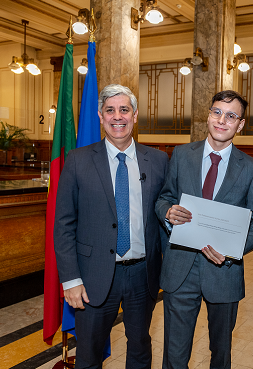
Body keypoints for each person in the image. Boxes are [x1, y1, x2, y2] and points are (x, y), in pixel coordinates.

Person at [54, 84, 168, 369]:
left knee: (140, 346)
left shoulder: (158, 161)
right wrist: (70, 280)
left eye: (124, 109)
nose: (118, 116)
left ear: (135, 115)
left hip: (143, 274)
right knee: (89, 354)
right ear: (101, 116)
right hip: (92, 276)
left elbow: (167, 212)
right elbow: (64, 223)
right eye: (110, 110)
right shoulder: (78, 161)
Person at [155, 90, 253, 369]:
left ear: (240, 124)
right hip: (180, 270)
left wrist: (232, 249)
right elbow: (163, 198)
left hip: (223, 272)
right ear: (208, 115)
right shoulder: (182, 155)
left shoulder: (251, 168)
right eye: (217, 112)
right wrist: (168, 212)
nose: (222, 120)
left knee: (221, 355)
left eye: (231, 116)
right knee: (174, 355)